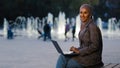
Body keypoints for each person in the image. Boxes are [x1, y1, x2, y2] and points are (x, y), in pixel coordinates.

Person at [56, 4, 104, 68]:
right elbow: (84, 45)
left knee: (69, 65)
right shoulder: (84, 26)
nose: (82, 15)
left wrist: (79, 51)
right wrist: (76, 49)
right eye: (81, 12)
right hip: (84, 55)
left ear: (90, 14)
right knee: (62, 57)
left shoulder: (92, 27)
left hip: (92, 59)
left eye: (85, 13)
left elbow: (95, 46)